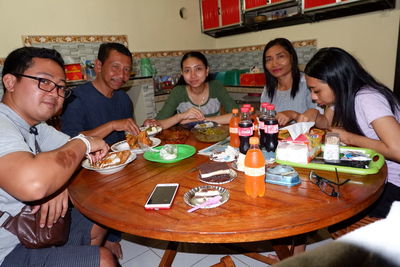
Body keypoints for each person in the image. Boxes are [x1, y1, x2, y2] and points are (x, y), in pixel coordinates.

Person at [0, 47, 115, 266]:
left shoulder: (35, 126)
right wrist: (82, 144)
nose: (55, 93)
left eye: (61, 87)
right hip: (7, 248)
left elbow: (77, 153)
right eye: (44, 82)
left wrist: (60, 184)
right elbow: (33, 183)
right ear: (10, 82)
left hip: (35, 227)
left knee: (101, 214)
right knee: (104, 260)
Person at [61, 42, 140, 259]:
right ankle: (107, 236)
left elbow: (129, 140)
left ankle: (115, 233)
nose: (121, 75)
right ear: (98, 66)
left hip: (119, 167)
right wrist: (112, 125)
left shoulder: (123, 98)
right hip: (86, 173)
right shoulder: (77, 98)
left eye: (126, 70)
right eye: (115, 67)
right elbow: (69, 143)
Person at [303, 47, 400, 218]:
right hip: (373, 172)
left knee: (331, 208)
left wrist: (350, 138)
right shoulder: (341, 96)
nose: (313, 97)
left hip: (392, 184)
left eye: (316, 90)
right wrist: (315, 115)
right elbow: (327, 124)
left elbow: (397, 150)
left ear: (336, 81)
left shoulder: (367, 98)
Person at [144, 51, 238, 129]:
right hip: (187, 143)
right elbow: (157, 123)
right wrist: (180, 117)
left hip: (213, 140)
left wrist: (198, 120)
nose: (193, 75)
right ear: (182, 73)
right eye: (187, 70)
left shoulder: (216, 86)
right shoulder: (178, 92)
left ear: (207, 70)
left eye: (198, 69)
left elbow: (238, 116)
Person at [260, 38, 320, 126]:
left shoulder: (307, 84)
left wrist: (293, 115)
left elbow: (320, 122)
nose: (274, 64)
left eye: (280, 56)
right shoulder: (268, 89)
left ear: (292, 57)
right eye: (269, 59)